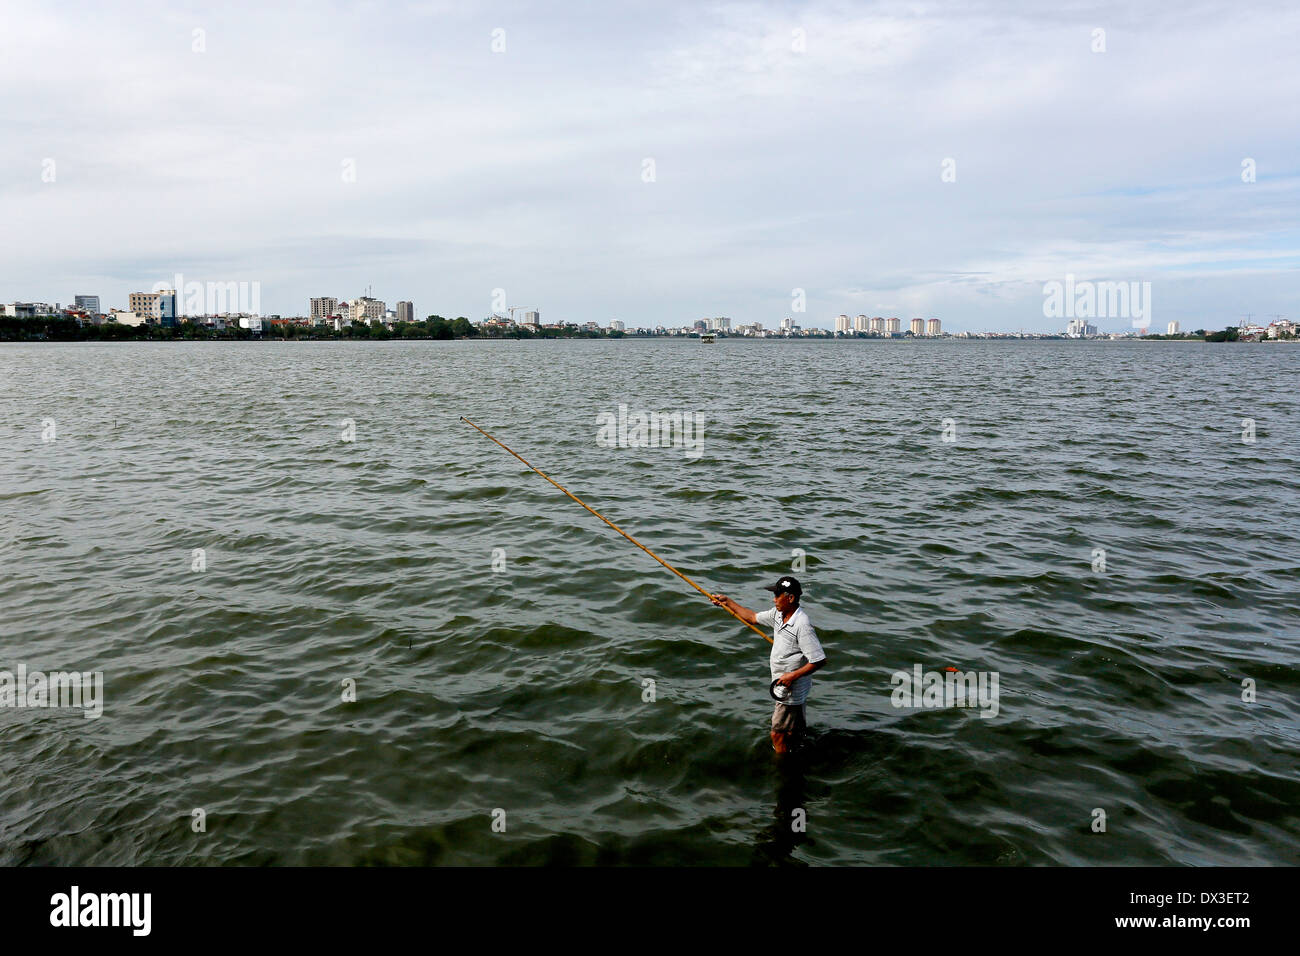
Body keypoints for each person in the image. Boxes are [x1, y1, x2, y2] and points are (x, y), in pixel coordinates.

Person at [711, 576, 826, 753]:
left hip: (790, 690)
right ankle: (799, 753)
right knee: (793, 731)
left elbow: (818, 660)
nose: (774, 599)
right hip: (786, 686)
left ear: (791, 598)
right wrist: (728, 602)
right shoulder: (778, 615)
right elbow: (751, 617)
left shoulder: (802, 625)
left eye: (777, 595)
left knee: (777, 734)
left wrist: (791, 676)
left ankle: (781, 768)